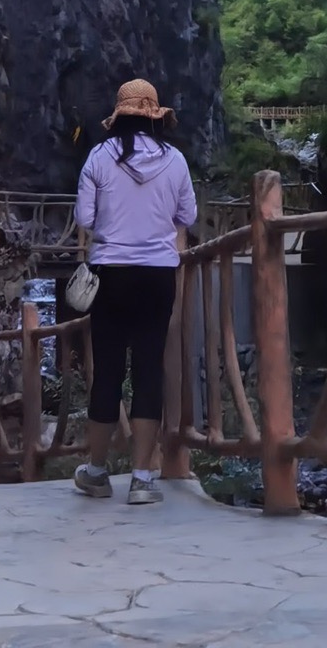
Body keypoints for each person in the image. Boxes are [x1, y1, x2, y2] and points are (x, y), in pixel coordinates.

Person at [72, 78, 197, 507]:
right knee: (148, 368)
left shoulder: (98, 157)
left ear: (119, 117)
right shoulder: (176, 160)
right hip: (158, 274)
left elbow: (85, 216)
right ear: (155, 117)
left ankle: (96, 471)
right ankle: (143, 478)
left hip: (111, 272)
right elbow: (188, 214)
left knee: (107, 370)